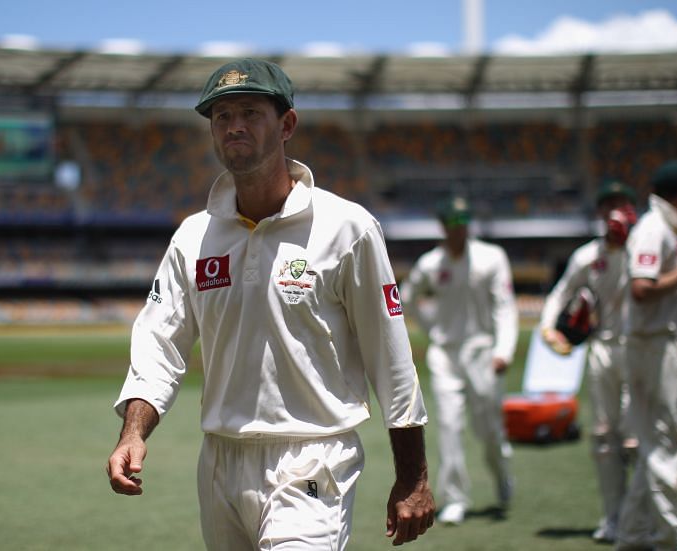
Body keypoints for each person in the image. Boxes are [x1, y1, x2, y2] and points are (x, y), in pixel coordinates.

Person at [105, 58, 435, 550]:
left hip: (313, 456)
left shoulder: (348, 228)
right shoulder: (194, 237)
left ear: (287, 125)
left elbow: (391, 358)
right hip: (220, 461)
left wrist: (413, 477)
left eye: (250, 112)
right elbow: (159, 345)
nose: (234, 126)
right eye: (221, 117)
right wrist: (133, 434)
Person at [399, 196, 518, 525]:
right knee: (449, 427)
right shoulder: (430, 264)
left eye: (463, 225)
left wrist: (503, 351)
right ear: (443, 227)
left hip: (482, 352)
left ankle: (502, 476)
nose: (459, 232)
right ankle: (455, 498)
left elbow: (504, 306)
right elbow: (407, 297)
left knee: (489, 431)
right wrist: (431, 330)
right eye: (453, 226)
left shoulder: (491, 258)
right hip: (445, 354)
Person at [617, 161, 677, 551]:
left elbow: (676, 281)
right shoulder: (653, 229)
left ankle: (633, 534)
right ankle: (673, 538)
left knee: (652, 444)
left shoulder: (664, 227)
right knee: (668, 443)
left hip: (655, 341)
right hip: (655, 346)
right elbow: (643, 287)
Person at [539, 180, 637, 544]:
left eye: (620, 202)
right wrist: (550, 328)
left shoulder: (645, 248)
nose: (614, 209)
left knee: (635, 439)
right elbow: (561, 292)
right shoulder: (588, 256)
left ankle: (641, 518)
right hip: (602, 349)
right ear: (599, 211)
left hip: (641, 349)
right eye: (607, 203)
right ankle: (614, 517)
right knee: (604, 438)